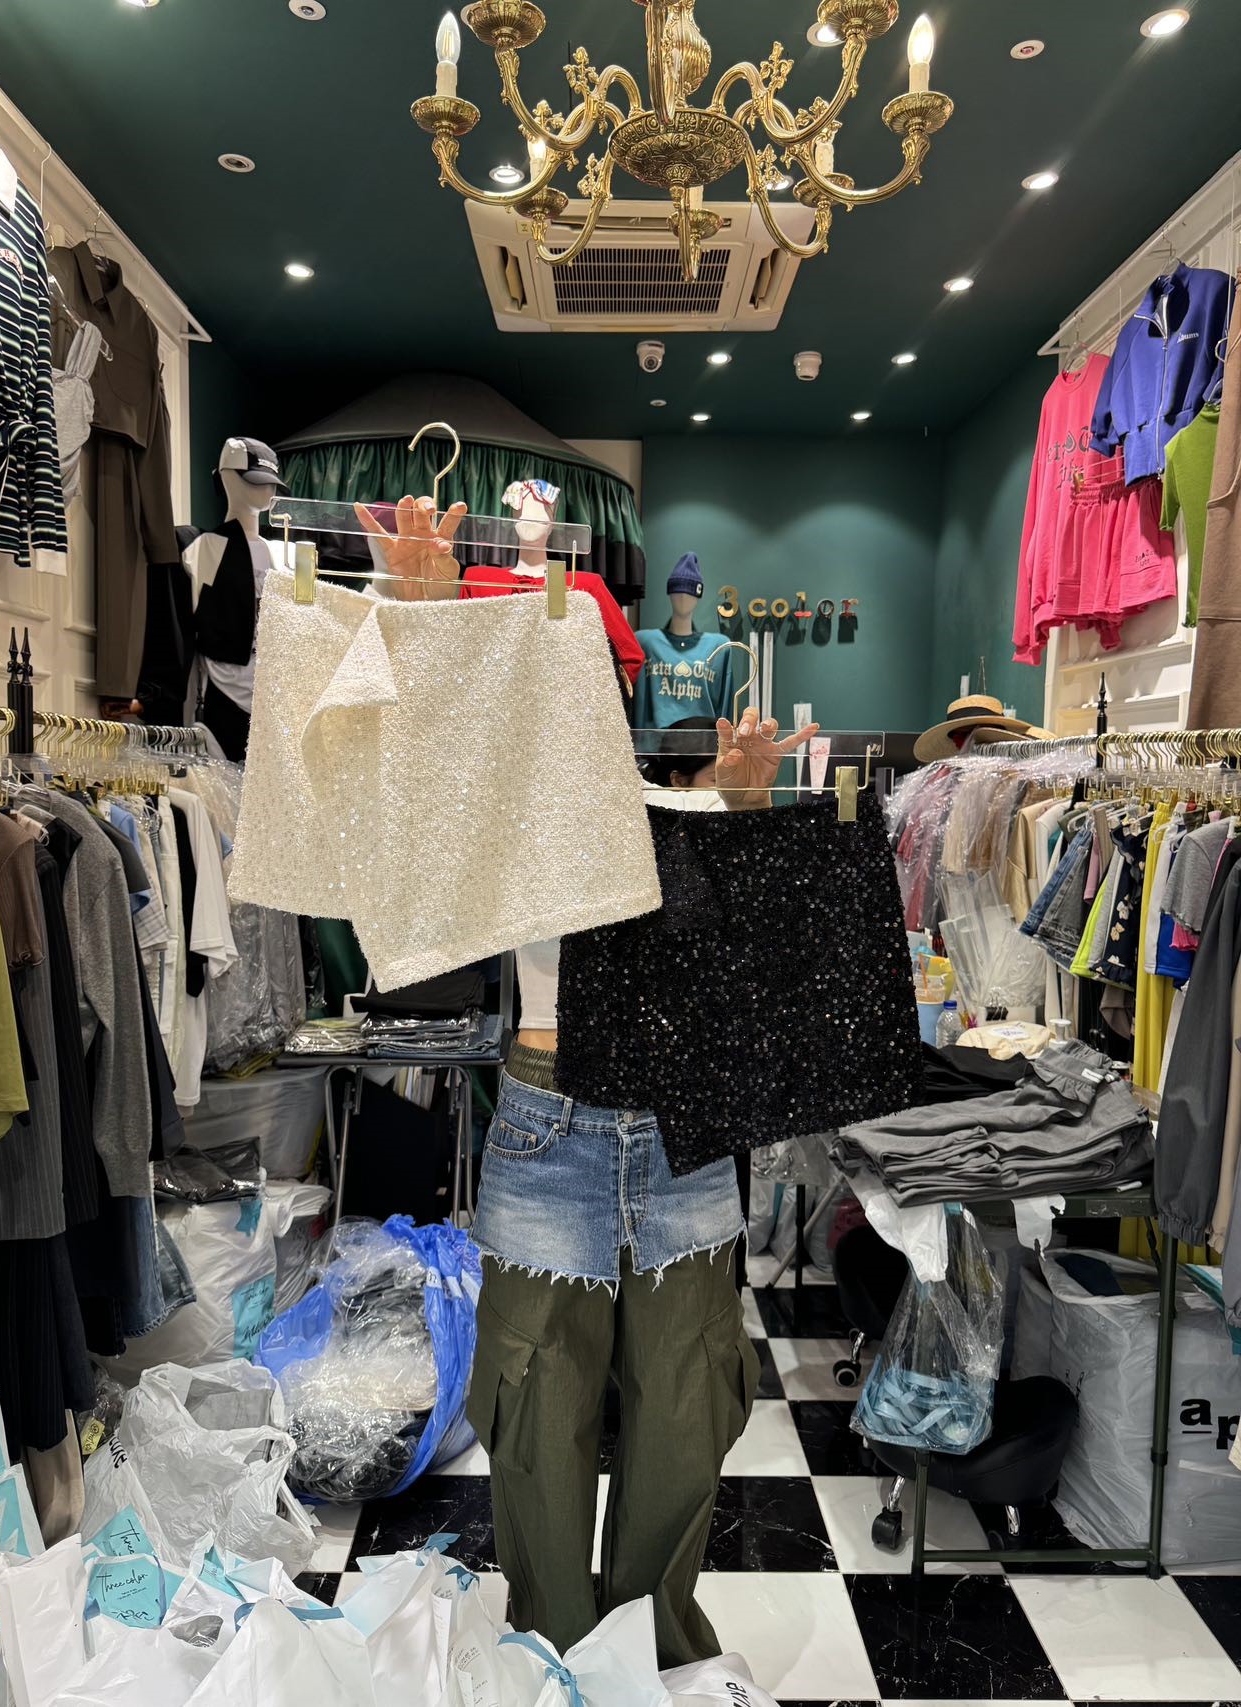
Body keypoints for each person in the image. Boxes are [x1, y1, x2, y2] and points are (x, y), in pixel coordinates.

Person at [357, 497, 819, 1665]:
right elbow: (414, 820)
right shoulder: (508, 801)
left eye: (599, 669)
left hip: (681, 1128)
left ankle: (651, 1653)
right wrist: (423, 629)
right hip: (547, 1121)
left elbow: (746, 976)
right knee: (533, 1415)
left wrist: (741, 816)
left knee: (685, 1411)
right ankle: (553, 1657)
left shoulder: (677, 804)